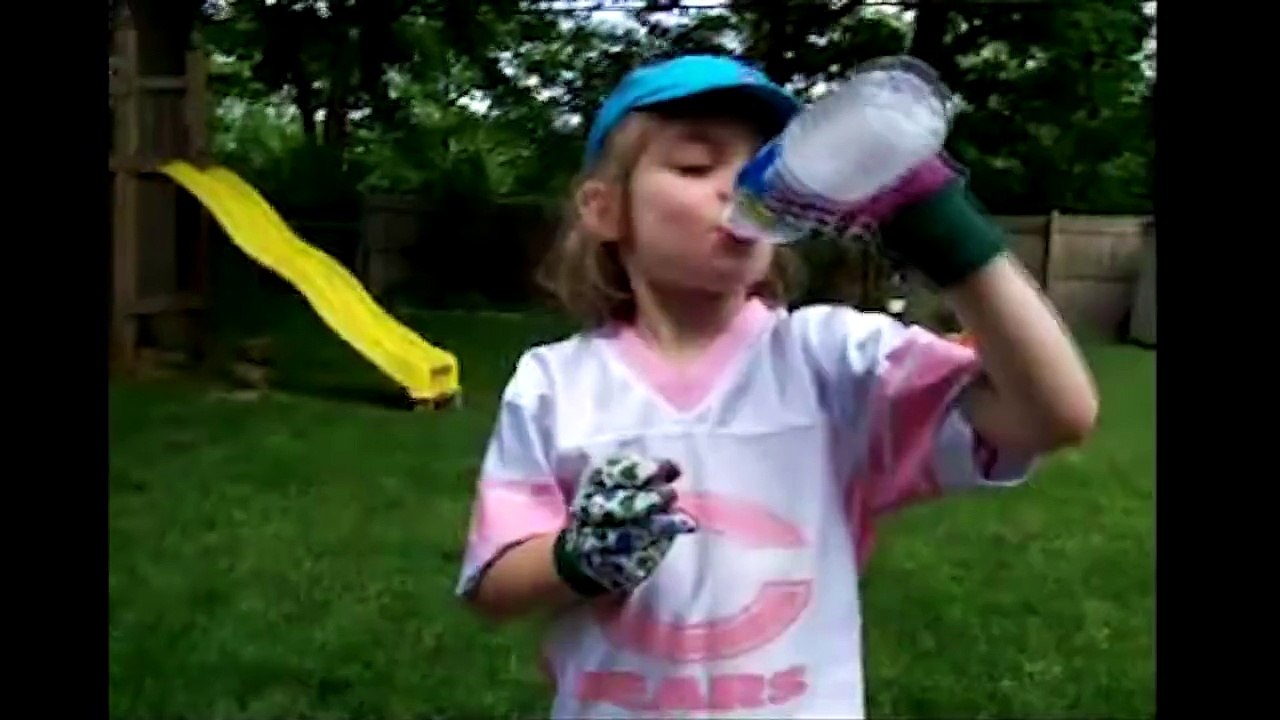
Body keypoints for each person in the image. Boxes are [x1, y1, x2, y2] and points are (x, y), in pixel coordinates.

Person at [454, 54, 1098, 718]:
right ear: (605, 209)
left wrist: (943, 229)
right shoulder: (554, 383)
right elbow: (492, 587)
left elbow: (1055, 414)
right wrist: (577, 560)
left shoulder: (834, 358)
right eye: (696, 166)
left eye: (760, 164)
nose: (736, 188)